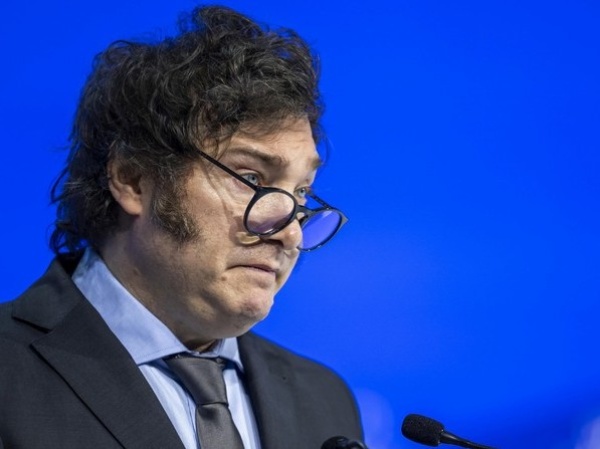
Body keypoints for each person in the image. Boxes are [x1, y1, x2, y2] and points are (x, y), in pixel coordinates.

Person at [0, 5, 363, 449]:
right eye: (251, 178)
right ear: (133, 179)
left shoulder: (324, 400)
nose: (290, 233)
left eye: (302, 193)